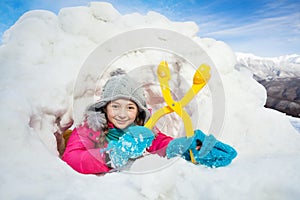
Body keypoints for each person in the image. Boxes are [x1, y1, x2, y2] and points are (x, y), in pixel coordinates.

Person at [62, 69, 237, 174]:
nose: (122, 114)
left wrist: (185, 146)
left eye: (130, 107)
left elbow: (160, 142)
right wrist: (113, 155)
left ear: (138, 111)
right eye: (115, 106)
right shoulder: (89, 128)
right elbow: (71, 158)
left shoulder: (143, 129)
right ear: (104, 107)